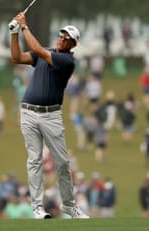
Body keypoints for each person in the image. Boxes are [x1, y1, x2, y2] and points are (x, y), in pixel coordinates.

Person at [9, 12, 89, 219]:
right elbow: (17, 58)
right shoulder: (46, 53)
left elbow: (36, 49)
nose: (61, 38)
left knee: (62, 161)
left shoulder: (66, 61)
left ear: (73, 44)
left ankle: (69, 206)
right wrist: (14, 34)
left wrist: (24, 26)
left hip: (51, 116)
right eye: (61, 35)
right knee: (34, 160)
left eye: (66, 38)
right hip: (28, 112)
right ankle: (37, 207)